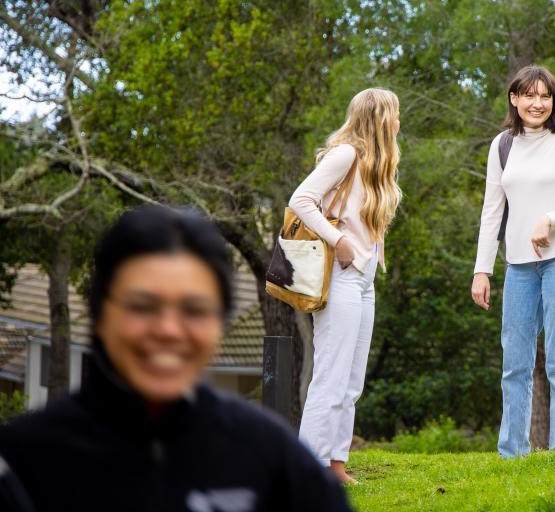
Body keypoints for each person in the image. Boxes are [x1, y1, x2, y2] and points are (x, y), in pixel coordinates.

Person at [0, 205, 351, 511]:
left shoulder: (272, 459)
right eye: (143, 306)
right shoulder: (22, 465)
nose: (168, 330)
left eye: (194, 310)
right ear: (100, 314)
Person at [472, 66, 555, 458]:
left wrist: (552, 220)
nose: (537, 103)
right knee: (514, 363)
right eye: (529, 95)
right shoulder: (501, 145)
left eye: (546, 96)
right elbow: (492, 211)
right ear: (514, 99)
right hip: (519, 264)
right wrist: (482, 269)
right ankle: (511, 453)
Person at [290, 88, 402, 484]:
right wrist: (338, 241)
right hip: (339, 276)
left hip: (363, 278)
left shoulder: (375, 163)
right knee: (331, 376)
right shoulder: (346, 155)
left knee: (351, 381)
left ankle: (336, 463)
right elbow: (300, 200)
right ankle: (310, 469)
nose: (399, 122)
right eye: (394, 115)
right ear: (378, 119)